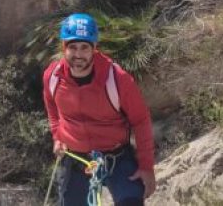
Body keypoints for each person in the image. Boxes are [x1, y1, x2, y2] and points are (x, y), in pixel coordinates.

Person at [43, 13, 156, 206]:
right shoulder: (52, 77)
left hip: (116, 157)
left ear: (94, 48)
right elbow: (52, 108)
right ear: (64, 48)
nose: (78, 54)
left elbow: (140, 120)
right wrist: (57, 136)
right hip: (75, 157)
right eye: (73, 47)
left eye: (84, 47)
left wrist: (146, 167)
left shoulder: (117, 80)